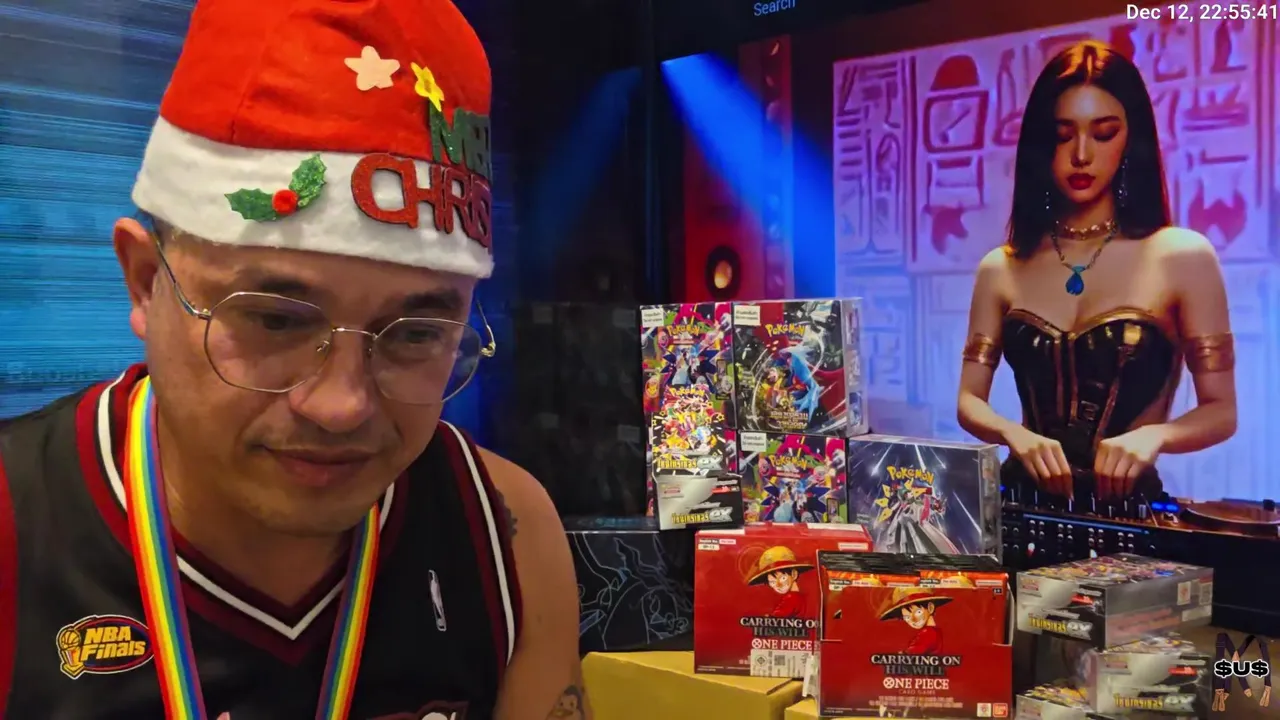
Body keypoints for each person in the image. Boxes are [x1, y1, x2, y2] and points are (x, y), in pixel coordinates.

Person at [0, 1, 588, 718]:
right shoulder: (16, 521)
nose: (342, 407)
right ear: (147, 282)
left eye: (414, 334)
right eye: (275, 320)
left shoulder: (504, 530)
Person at [956, 41, 1237, 506]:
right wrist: (1013, 434)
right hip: (1017, 508)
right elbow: (969, 400)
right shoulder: (1001, 267)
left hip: (1128, 518)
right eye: (1062, 135)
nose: (1082, 154)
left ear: (1131, 139)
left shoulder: (1182, 257)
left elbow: (1222, 411)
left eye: (1104, 133)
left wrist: (1155, 436)